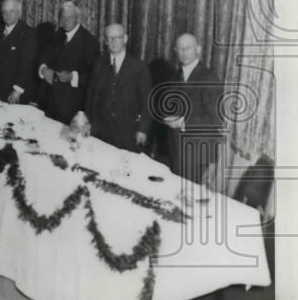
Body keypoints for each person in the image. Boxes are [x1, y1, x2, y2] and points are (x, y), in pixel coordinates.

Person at [162, 33, 224, 186]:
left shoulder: (208, 77)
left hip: (195, 152)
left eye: (187, 48)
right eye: (180, 48)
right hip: (176, 148)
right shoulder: (176, 75)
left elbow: (216, 120)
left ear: (198, 49)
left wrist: (182, 122)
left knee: (185, 198)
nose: (183, 52)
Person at [85, 24, 153, 153]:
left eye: (117, 37)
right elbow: (91, 96)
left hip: (127, 130)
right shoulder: (99, 63)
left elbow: (147, 102)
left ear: (125, 39)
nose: (113, 41)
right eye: (109, 38)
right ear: (105, 41)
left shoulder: (139, 67)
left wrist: (143, 130)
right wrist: (88, 121)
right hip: (100, 128)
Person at [37, 1, 100, 124]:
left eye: (70, 17)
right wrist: (43, 69)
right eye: (63, 17)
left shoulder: (90, 42)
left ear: (78, 19)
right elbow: (42, 57)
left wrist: (72, 76)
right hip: (48, 102)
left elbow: (93, 77)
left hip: (70, 106)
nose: (65, 21)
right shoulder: (56, 35)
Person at [0, 0, 38, 104]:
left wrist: (17, 90)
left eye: (11, 11)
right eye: (5, 12)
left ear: (19, 13)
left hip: (15, 91)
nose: (8, 15)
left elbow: (27, 65)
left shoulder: (28, 34)